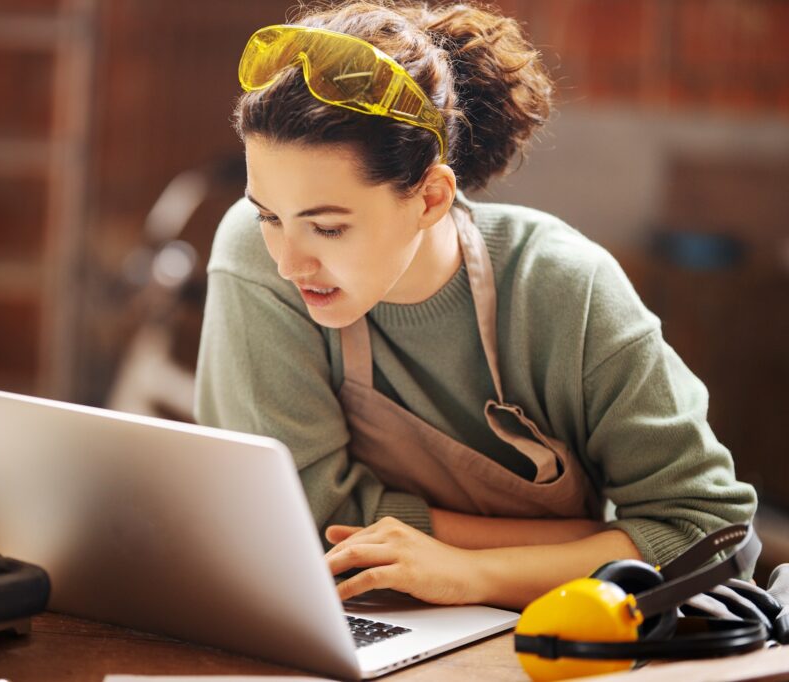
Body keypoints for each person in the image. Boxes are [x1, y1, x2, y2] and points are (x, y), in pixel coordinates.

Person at [193, 1, 757, 610]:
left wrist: (470, 573)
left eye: (328, 228)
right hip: (362, 623)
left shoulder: (566, 288)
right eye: (269, 216)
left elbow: (710, 534)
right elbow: (295, 516)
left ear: (432, 197)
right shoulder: (254, 256)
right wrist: (590, 542)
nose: (288, 263)